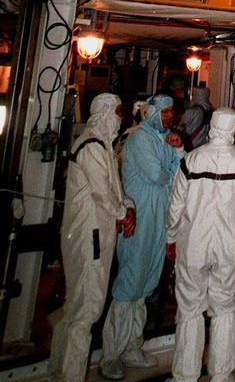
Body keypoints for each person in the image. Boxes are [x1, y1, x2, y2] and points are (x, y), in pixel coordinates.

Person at [165, 108, 235, 382]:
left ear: (212, 126)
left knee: (190, 308)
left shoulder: (191, 160)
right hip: (228, 248)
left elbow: (175, 206)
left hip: (193, 246)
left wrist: (170, 237)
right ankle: (221, 375)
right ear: (234, 129)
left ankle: (185, 376)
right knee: (226, 309)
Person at [48, 94, 135, 382]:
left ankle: (59, 372)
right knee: (86, 308)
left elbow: (114, 189)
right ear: (106, 112)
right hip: (90, 236)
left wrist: (127, 207)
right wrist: (123, 213)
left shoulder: (102, 146)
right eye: (119, 111)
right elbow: (102, 193)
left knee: (76, 308)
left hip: (95, 233)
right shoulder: (92, 146)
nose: (121, 117)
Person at [100, 95, 183, 378]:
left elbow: (180, 174)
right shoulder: (139, 140)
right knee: (129, 283)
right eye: (165, 112)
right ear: (153, 113)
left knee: (146, 282)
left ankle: (132, 347)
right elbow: (160, 176)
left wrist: (180, 149)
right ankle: (111, 354)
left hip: (159, 219)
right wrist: (173, 169)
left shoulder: (167, 140)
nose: (169, 117)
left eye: (172, 112)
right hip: (139, 220)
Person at [177, 86, 212, 151]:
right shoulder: (212, 111)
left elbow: (179, 128)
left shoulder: (191, 111)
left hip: (190, 146)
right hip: (204, 147)